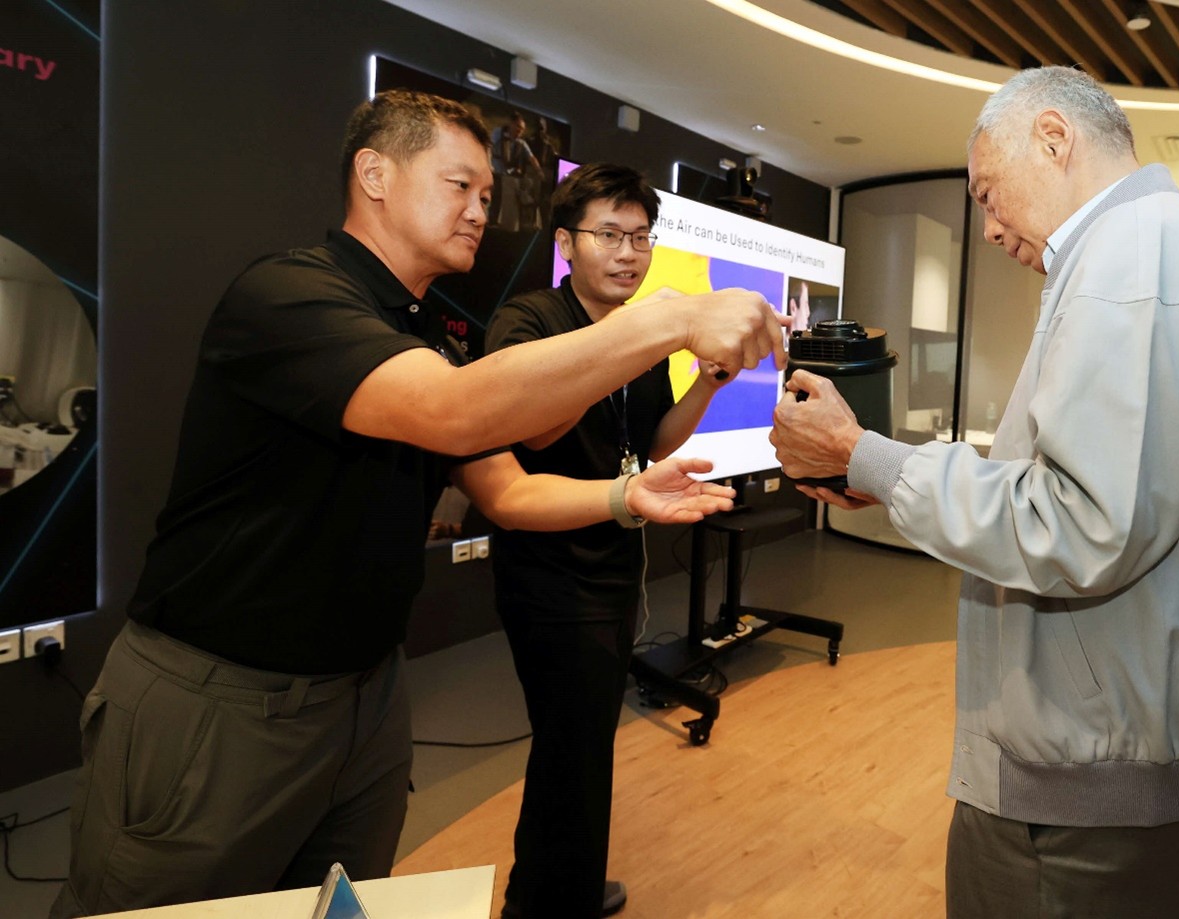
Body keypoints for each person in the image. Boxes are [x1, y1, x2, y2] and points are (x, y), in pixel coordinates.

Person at [50, 89, 783, 918]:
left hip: (365, 694)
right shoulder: (292, 296)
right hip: (223, 699)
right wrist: (675, 318)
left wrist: (625, 494)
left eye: (483, 193)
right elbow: (455, 411)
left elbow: (507, 486)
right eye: (458, 186)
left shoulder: (427, 335)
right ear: (374, 175)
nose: (478, 210)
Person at [770, 66, 1179, 919]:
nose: (987, 223)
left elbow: (1081, 524)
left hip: (1087, 794)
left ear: (1053, 138)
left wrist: (865, 456)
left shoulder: (1139, 246)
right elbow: (1088, 493)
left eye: (985, 190)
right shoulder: (1159, 248)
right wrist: (882, 473)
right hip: (1108, 769)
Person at [459, 162, 737, 919]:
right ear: (566, 243)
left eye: (640, 237)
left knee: (582, 746)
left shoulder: (637, 336)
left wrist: (706, 384)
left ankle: (564, 885)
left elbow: (649, 443)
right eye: (608, 235)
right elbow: (530, 425)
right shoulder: (529, 321)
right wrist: (625, 341)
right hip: (549, 573)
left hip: (614, 562)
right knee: (569, 749)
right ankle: (545, 900)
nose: (627, 253)